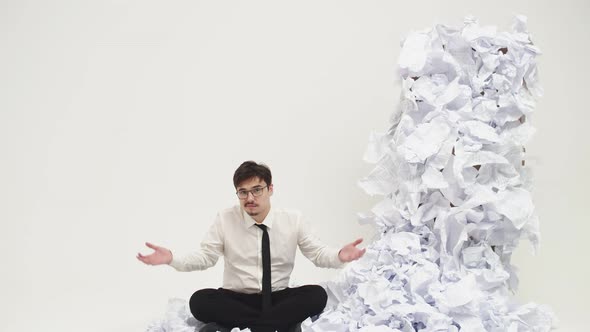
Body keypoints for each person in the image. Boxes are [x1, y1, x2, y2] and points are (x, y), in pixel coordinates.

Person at [137, 161, 366, 332]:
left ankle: (234, 327)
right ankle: (279, 326)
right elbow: (206, 257)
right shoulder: (225, 219)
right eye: (243, 192)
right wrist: (172, 259)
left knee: (316, 295)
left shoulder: (293, 219)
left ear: (270, 189)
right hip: (236, 299)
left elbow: (316, 253)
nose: (250, 198)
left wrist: (339, 255)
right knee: (199, 301)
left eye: (257, 190)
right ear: (237, 193)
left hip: (278, 298)